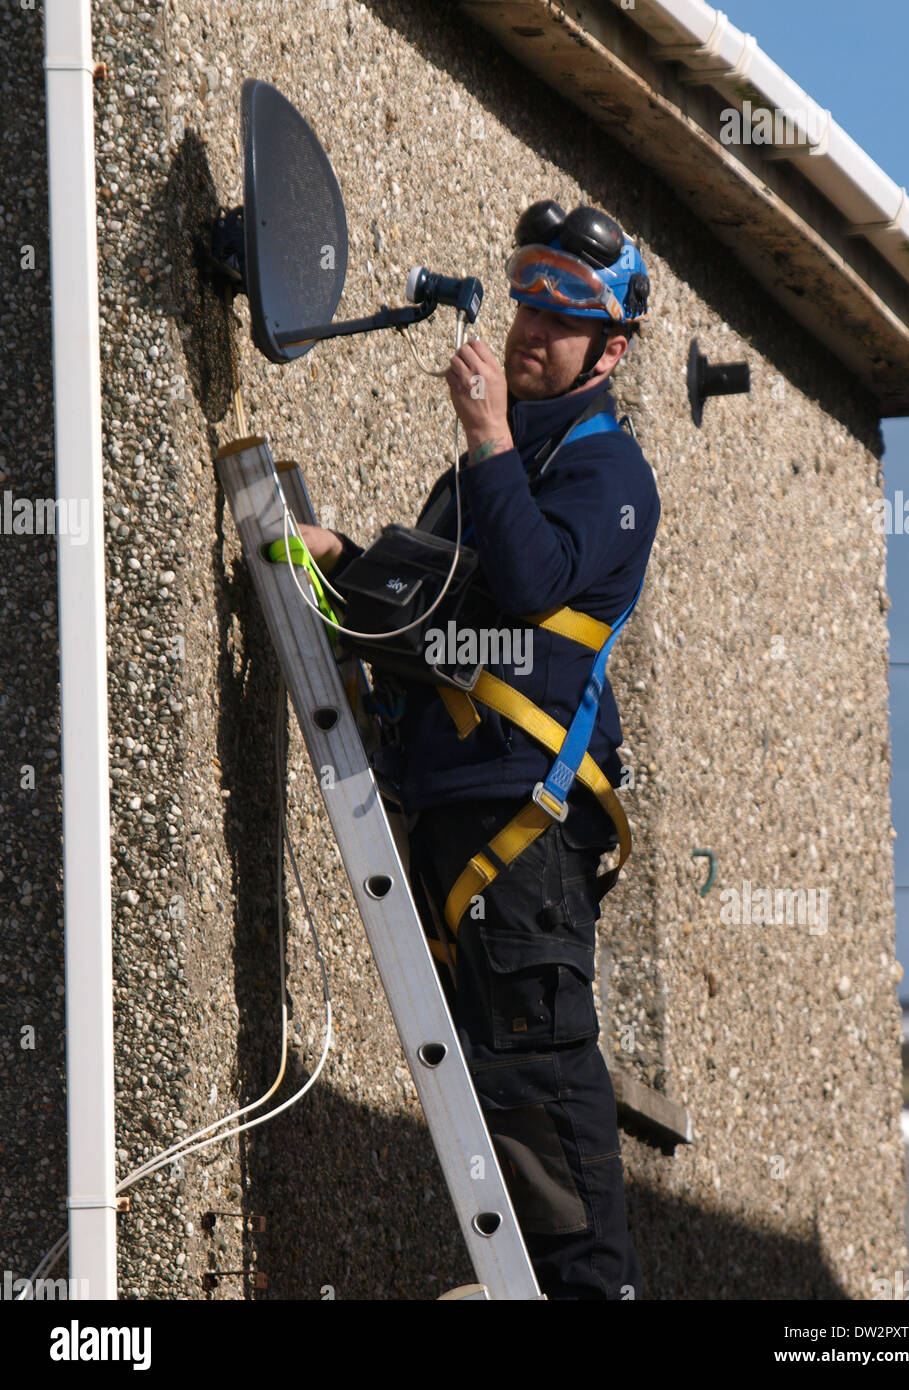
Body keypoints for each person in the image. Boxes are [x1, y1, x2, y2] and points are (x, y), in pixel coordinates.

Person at [299, 202, 660, 1299]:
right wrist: (346, 562)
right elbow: (442, 620)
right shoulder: (479, 480)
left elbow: (535, 581)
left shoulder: (610, 478)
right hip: (451, 817)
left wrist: (491, 437)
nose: (525, 334)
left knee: (540, 1088)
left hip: (523, 837)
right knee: (488, 1095)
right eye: (523, 306)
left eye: (558, 321)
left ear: (610, 351)